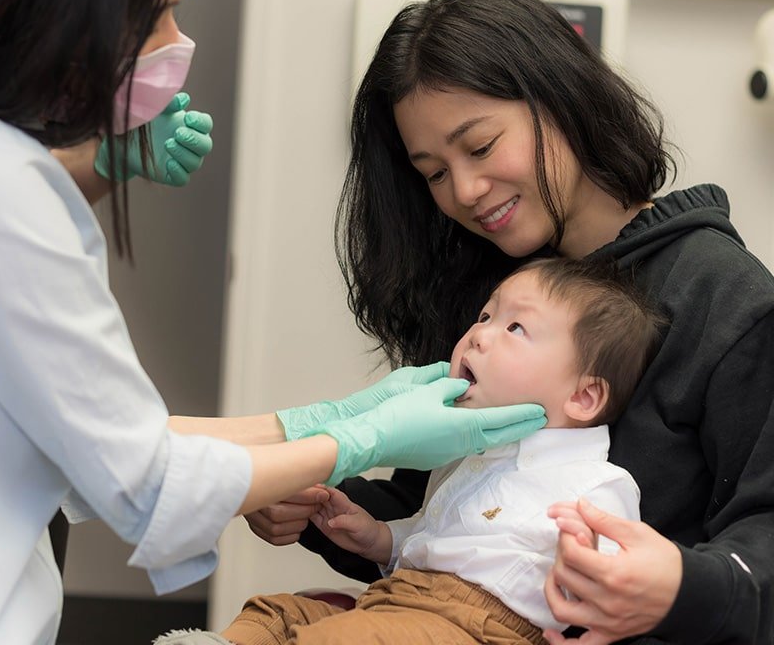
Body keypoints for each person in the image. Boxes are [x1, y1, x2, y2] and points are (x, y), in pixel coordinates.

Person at [0, 0, 546, 645]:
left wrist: (327, 423)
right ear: (63, 8)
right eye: (158, 12)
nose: (178, 40)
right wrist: (353, 440)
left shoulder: (5, 179)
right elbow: (143, 475)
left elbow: (122, 440)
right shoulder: (1, 196)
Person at [246, 0, 774, 644]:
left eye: (481, 146)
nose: (464, 191)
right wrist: (320, 506)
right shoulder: (493, 288)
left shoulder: (725, 302)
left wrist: (678, 588)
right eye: (434, 173)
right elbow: (437, 517)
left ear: (561, 101)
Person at [175, 257, 660, 645]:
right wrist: (378, 539)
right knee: (277, 611)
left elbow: (621, 581)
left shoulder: (597, 483)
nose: (479, 334)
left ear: (584, 397)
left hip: (480, 627)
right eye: (486, 315)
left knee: (342, 637)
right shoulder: (466, 454)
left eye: (515, 329)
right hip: (399, 600)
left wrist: (590, 571)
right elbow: (438, 543)